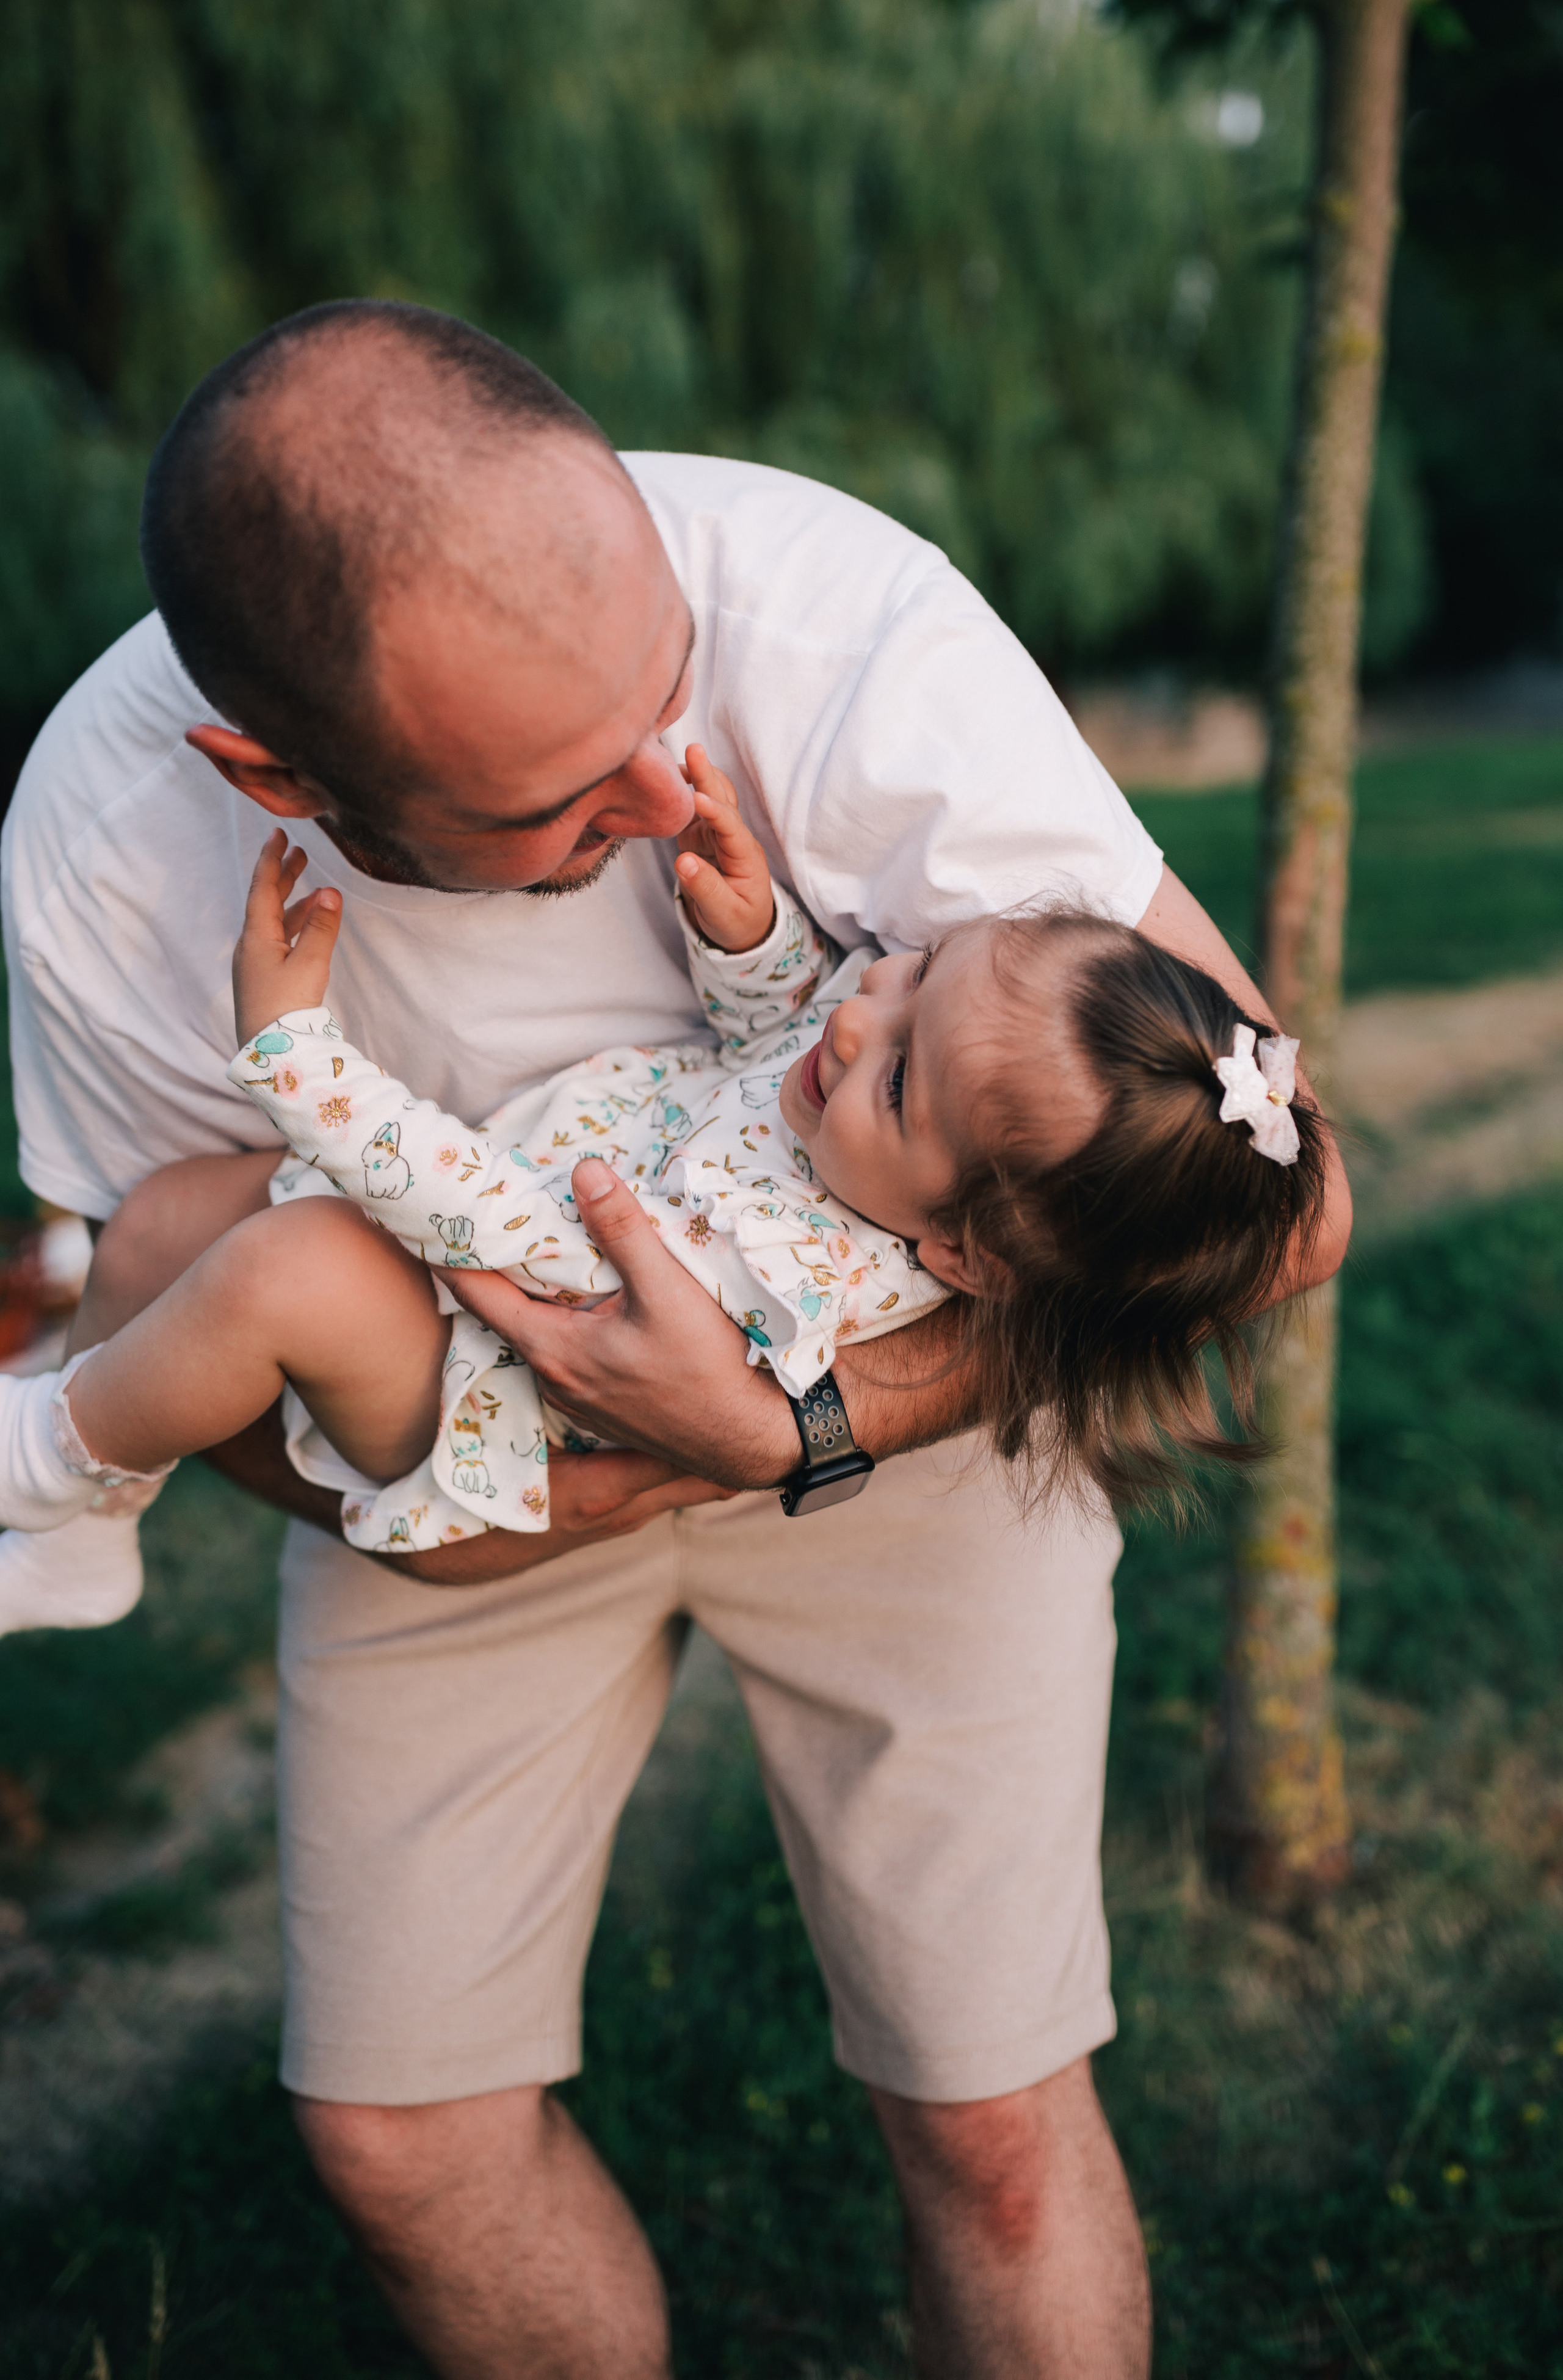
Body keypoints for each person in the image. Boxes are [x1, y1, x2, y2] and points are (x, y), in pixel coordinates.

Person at [1, 299, 1351, 2378]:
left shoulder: (834, 620)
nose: (663, 779)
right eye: (564, 797)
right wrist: (477, 1516)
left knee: (988, 2111)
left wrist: (801, 1419)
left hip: (896, 1431)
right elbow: (191, 1265)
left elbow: (1288, 1198)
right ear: (278, 773)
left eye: (665, 700)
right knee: (396, 2129)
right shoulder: (99, 846)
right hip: (444, 1469)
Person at [0, 769, 1329, 1577]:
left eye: (899, 1074)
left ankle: (48, 1459)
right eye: (917, 972)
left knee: (286, 1268)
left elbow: (515, 1240)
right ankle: (94, 1514)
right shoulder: (872, 1130)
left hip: (478, 1371)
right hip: (457, 1263)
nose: (857, 1015)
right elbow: (779, 1059)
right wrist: (747, 939)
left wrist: (299, 1058)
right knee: (158, 1223)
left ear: (963, 1258)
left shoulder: (799, 1273)